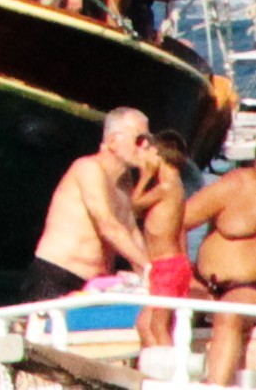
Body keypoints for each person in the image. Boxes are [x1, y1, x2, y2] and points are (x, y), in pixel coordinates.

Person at [27, 108, 156, 301]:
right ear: (113, 141)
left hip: (94, 283)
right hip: (59, 275)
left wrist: (151, 274)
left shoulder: (125, 181)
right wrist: (149, 267)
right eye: (139, 140)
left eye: (148, 139)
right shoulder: (88, 168)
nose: (145, 146)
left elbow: (131, 231)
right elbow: (108, 226)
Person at [185, 150, 256, 384]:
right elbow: (174, 221)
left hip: (247, 289)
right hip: (206, 283)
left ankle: (216, 386)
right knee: (151, 318)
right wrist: (183, 271)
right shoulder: (236, 185)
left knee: (230, 314)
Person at [138, 127, 194, 353]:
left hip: (167, 267)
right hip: (166, 266)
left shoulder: (167, 186)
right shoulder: (174, 186)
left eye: (149, 151)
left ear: (159, 156)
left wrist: (145, 176)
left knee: (158, 327)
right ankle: (158, 370)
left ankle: (169, 376)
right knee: (145, 324)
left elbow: (134, 205)